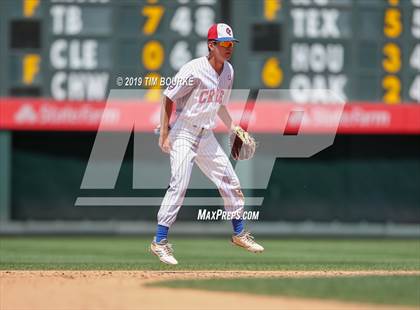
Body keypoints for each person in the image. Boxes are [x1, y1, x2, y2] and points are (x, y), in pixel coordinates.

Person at [151, 23, 264, 265]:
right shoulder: (193, 70)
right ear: (211, 46)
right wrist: (164, 133)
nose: (229, 47)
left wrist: (233, 125)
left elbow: (219, 103)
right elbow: (168, 97)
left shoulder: (229, 71)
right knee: (179, 185)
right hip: (183, 133)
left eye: (231, 43)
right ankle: (159, 242)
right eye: (224, 43)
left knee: (231, 182)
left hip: (206, 136)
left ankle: (239, 234)